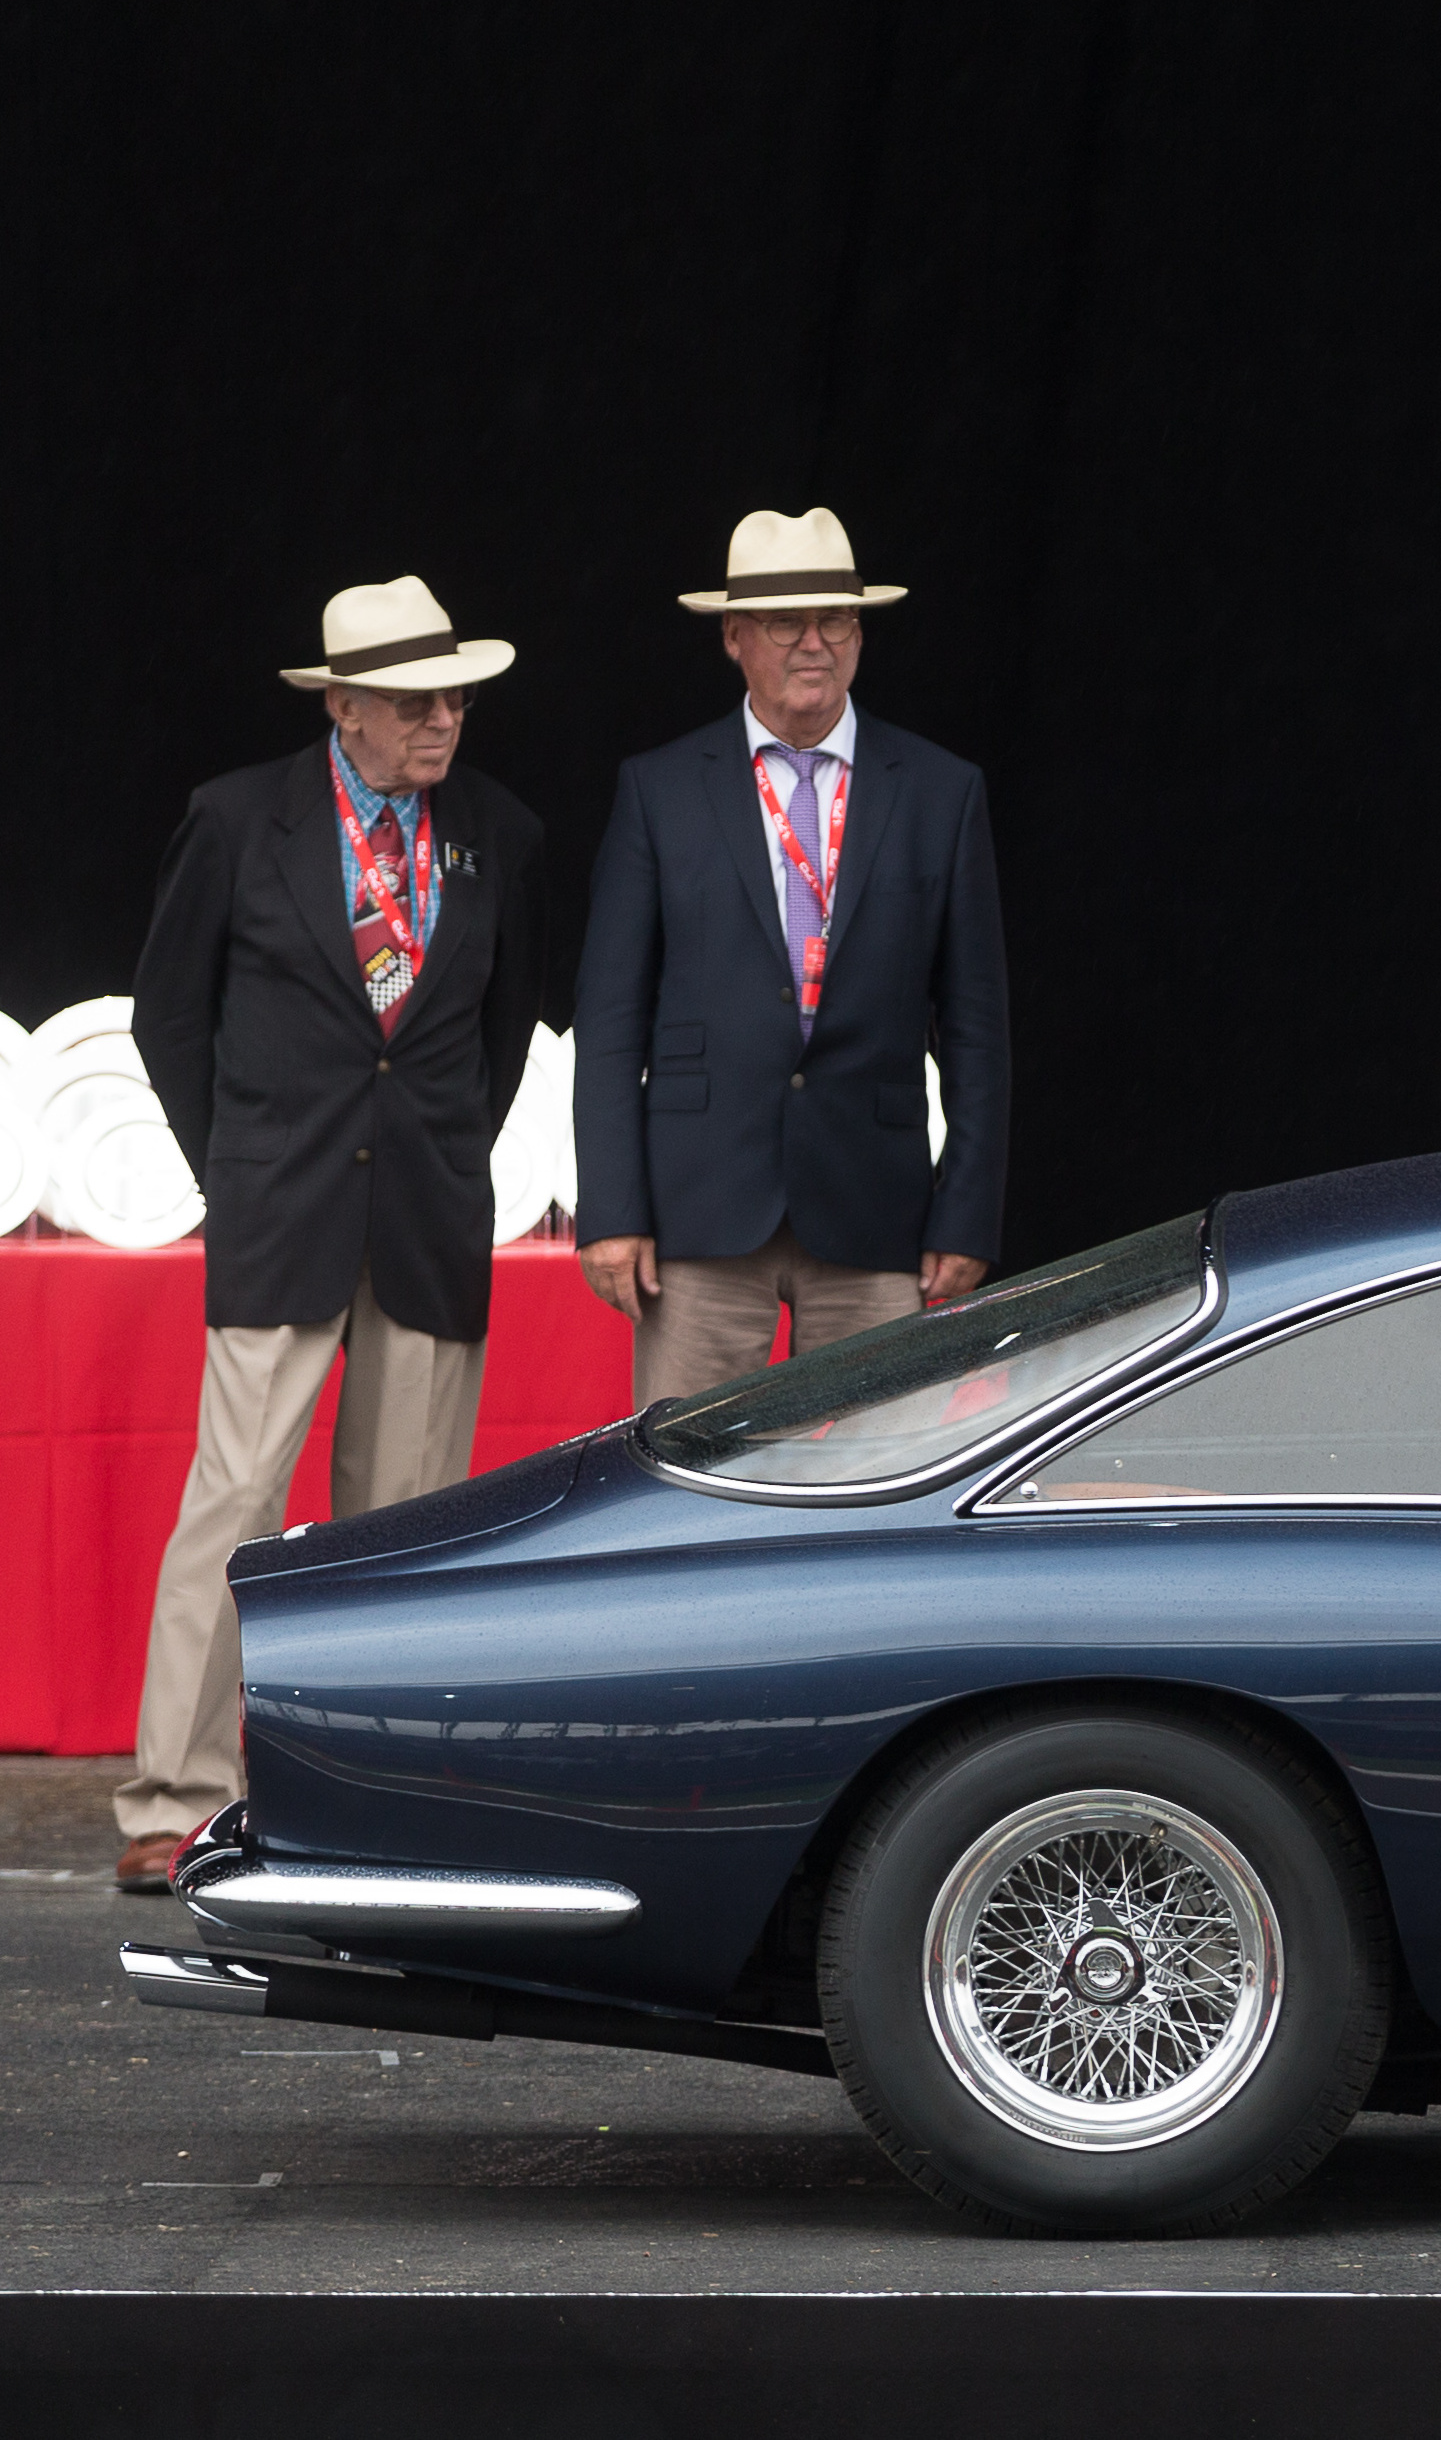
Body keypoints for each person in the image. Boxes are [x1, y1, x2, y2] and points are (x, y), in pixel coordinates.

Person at [114, 577, 544, 1888]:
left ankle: (378, 1790)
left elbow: (501, 1036)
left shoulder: (500, 833)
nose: (445, 718)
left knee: (404, 1526)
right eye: (418, 699)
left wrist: (442, 1154)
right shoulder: (240, 820)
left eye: (458, 695)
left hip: (422, 1216)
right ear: (344, 707)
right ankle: (170, 1800)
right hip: (281, 1210)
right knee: (235, 1504)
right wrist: (238, 1170)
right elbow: (168, 1020)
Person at [572, 508, 1009, 1407]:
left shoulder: (939, 790)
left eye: (837, 620)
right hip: (699, 1211)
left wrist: (967, 1213)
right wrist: (612, 1212)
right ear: (733, 637)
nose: (816, 644)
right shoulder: (659, 789)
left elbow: (977, 1027)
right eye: (786, 624)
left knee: (876, 1491)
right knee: (685, 1496)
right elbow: (611, 1020)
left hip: (876, 1213)